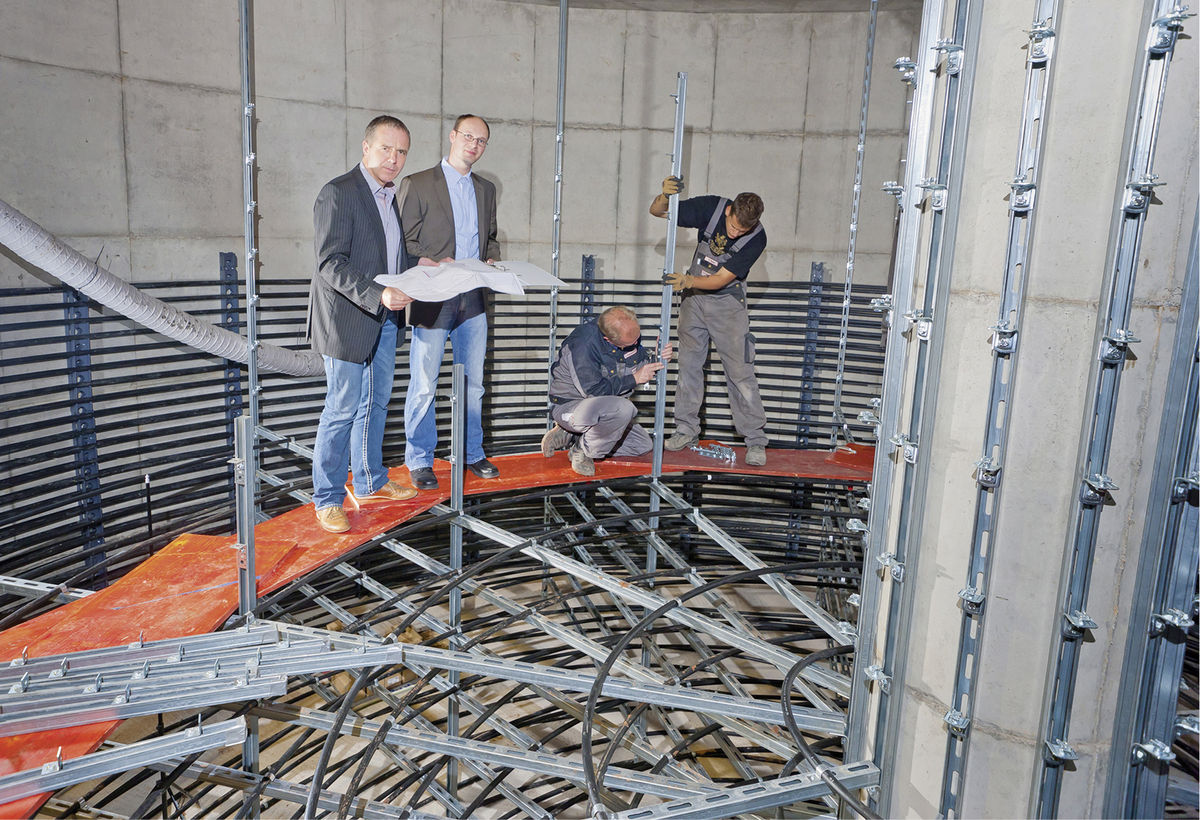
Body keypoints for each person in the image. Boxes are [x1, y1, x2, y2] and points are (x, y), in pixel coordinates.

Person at [307, 115, 419, 533]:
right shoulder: (339, 192)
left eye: (402, 151)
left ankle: (371, 481)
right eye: (387, 148)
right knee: (341, 408)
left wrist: (420, 267)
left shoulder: (389, 197)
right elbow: (329, 263)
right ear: (365, 147)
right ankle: (328, 498)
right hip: (347, 319)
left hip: (385, 319)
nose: (394, 159)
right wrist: (379, 294)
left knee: (375, 403)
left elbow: (386, 257)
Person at [399, 114, 501, 490]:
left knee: (474, 384)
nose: (474, 145)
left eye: (482, 141)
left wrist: (491, 259)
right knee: (424, 382)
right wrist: (424, 261)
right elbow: (403, 242)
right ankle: (421, 459)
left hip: (473, 297)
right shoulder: (419, 183)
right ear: (453, 136)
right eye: (469, 137)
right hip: (433, 297)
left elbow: (490, 237)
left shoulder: (486, 189)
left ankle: (472, 452)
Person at [649, 176, 769, 467]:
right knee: (689, 367)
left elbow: (720, 279)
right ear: (729, 211)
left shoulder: (757, 237)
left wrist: (689, 279)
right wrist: (664, 195)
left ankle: (755, 439)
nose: (737, 233)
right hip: (694, 301)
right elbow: (657, 211)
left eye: (743, 230)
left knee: (740, 374)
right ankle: (685, 430)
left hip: (727, 304)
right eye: (734, 227)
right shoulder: (712, 208)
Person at [541, 306, 673, 476]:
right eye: (629, 344)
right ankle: (582, 451)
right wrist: (634, 379)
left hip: (602, 410)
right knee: (623, 408)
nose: (635, 345)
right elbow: (594, 392)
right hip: (572, 406)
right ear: (608, 339)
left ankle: (573, 435)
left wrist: (657, 359)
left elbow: (635, 367)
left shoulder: (625, 339)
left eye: (637, 339)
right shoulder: (583, 345)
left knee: (642, 445)